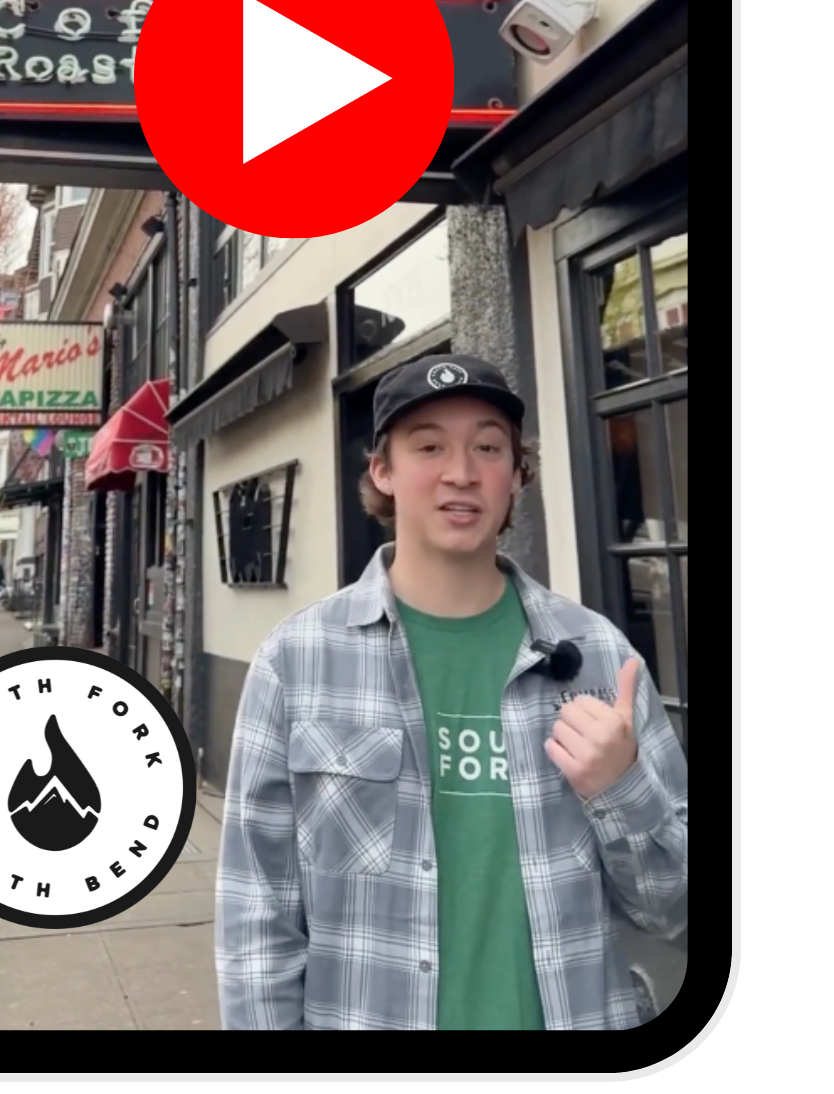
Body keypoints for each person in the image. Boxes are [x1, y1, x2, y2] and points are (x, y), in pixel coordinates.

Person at [215, 355, 687, 1032]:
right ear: (383, 470)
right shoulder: (297, 661)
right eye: (429, 445)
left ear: (516, 474)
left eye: (488, 447)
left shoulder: (603, 658)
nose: (461, 472)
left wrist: (621, 788)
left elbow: (671, 907)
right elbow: (256, 918)